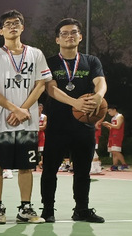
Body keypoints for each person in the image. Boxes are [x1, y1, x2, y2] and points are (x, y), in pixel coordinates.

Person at [0, 10, 50, 224]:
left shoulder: (36, 54)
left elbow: (41, 85)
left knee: (26, 166)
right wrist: (16, 110)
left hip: (27, 122)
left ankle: (25, 208)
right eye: (8, 24)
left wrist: (23, 110)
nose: (12, 26)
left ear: (23, 27)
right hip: (1, 121)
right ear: (1, 31)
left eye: (16, 23)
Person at [40, 17, 107, 223]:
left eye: (73, 32)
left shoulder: (91, 61)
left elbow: (101, 82)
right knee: (50, 170)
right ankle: (47, 210)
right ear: (57, 39)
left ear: (80, 37)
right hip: (57, 124)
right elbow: (50, 88)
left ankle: (81, 209)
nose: (69, 36)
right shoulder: (49, 62)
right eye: (64, 33)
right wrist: (74, 103)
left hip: (84, 125)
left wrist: (99, 95)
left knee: (82, 171)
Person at [104, 106, 127, 171]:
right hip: (112, 135)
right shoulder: (113, 118)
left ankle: (124, 164)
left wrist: (108, 123)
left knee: (115, 151)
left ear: (114, 110)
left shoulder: (119, 116)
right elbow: (113, 127)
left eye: (110, 111)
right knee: (113, 151)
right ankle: (114, 166)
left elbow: (118, 126)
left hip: (117, 135)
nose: (109, 113)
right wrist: (107, 126)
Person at [37, 104, 47, 169]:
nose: (39, 110)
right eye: (38, 108)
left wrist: (36, 127)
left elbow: (44, 127)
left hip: (41, 134)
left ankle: (41, 163)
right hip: (34, 134)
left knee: (41, 150)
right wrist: (39, 127)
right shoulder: (33, 116)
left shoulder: (44, 116)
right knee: (34, 149)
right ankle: (34, 164)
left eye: (40, 108)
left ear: (42, 109)